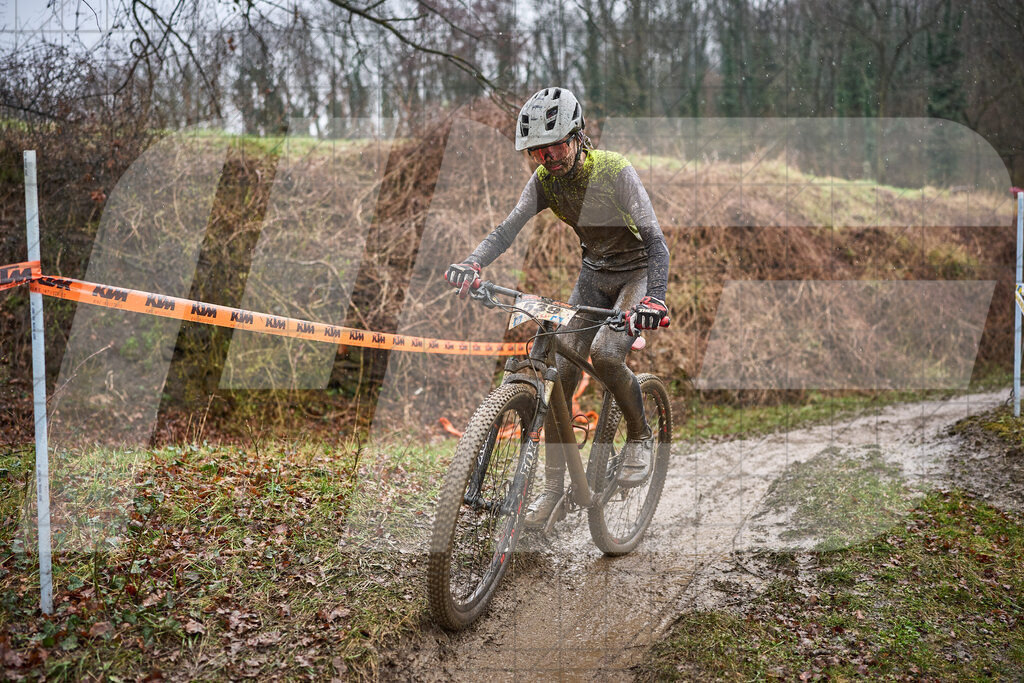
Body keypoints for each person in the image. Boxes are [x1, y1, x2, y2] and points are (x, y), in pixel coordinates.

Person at [445, 87, 670, 527]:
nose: (548, 158)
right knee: (560, 378)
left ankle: (641, 435)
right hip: (592, 277)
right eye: (537, 152)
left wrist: (654, 298)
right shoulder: (545, 181)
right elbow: (508, 229)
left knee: (605, 353)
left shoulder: (613, 170)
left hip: (635, 274)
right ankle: (551, 492)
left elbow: (657, 242)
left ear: (577, 134)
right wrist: (472, 263)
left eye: (555, 146)